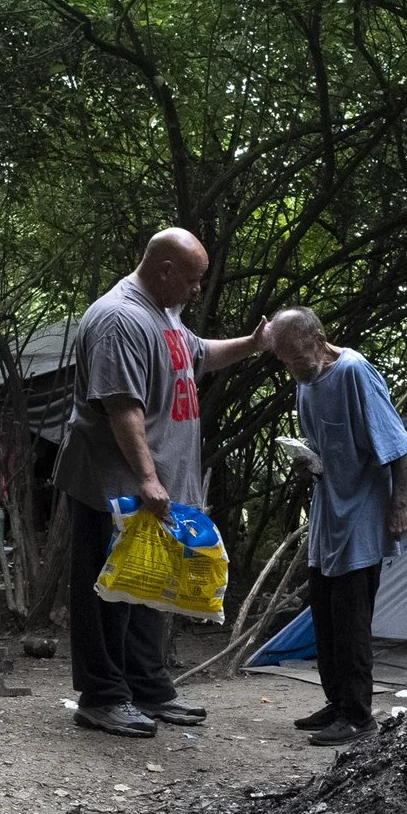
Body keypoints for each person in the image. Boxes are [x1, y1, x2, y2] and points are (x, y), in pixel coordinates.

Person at [57, 228, 267, 736]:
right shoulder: (119, 319)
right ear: (166, 269)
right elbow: (120, 405)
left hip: (155, 488)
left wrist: (255, 344)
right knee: (108, 592)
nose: (198, 291)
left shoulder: (164, 315)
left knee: (150, 589)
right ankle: (102, 696)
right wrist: (148, 478)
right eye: (193, 280)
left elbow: (202, 355)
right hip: (114, 485)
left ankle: (148, 690)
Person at [268, 307, 407, 746]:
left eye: (295, 356)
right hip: (327, 513)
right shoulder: (305, 384)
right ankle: (337, 702)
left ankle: (359, 715)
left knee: (351, 617)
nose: (291, 368)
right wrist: (304, 464)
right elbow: (322, 446)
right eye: (284, 361)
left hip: (361, 514)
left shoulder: (353, 372)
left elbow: (398, 445)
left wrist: (398, 505)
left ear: (318, 338)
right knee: (325, 613)